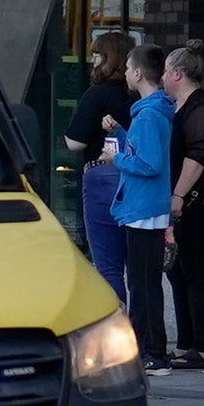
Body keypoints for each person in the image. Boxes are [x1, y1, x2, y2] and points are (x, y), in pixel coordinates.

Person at [162, 43, 204, 368]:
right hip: (185, 198)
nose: (162, 77)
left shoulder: (200, 108)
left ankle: (203, 348)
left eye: (165, 70)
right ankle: (185, 344)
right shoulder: (179, 106)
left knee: (197, 270)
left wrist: (177, 196)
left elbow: (197, 156)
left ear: (177, 73)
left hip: (199, 200)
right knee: (178, 270)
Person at [110, 43, 177, 373]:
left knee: (141, 284)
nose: (123, 72)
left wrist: (115, 157)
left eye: (126, 67)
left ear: (138, 73)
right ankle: (154, 351)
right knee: (147, 282)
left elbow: (148, 162)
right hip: (148, 208)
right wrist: (121, 133)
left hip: (142, 209)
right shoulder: (154, 112)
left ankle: (149, 353)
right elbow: (148, 153)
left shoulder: (148, 115)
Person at [62, 29, 136, 314]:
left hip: (103, 176)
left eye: (97, 54)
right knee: (140, 271)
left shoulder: (97, 94)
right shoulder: (139, 96)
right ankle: (146, 338)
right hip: (140, 178)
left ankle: (117, 331)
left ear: (108, 58)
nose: (92, 60)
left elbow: (75, 142)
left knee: (109, 266)